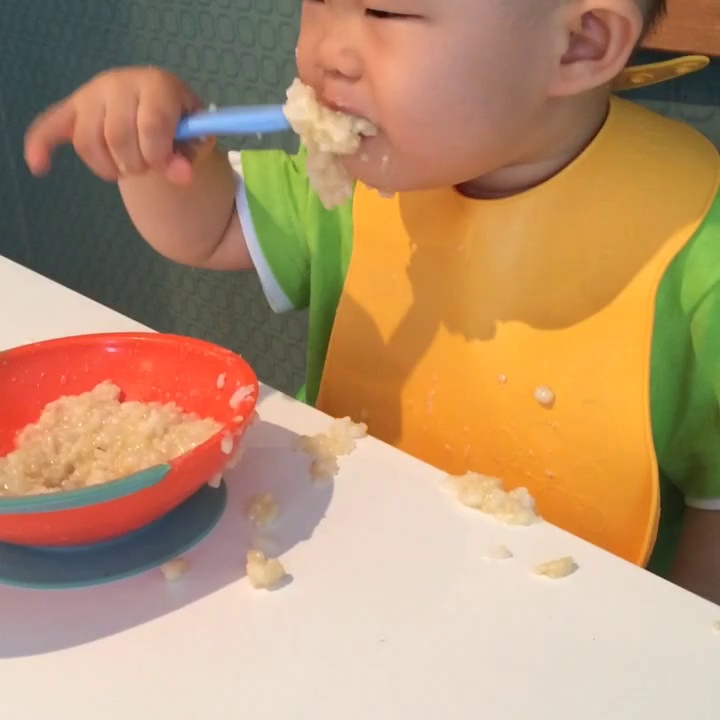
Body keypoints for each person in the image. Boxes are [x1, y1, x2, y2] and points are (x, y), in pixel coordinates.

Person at [24, 0, 720, 603]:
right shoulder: (356, 176)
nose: (326, 52)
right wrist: (151, 151)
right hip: (341, 573)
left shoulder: (698, 250)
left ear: (580, 43)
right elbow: (214, 229)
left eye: (385, 11)